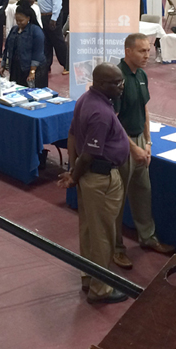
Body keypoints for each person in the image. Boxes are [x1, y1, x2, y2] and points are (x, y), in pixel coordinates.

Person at [57, 63, 130, 304]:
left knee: (89, 230)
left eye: (121, 81)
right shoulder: (100, 112)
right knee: (103, 236)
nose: (121, 86)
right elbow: (89, 153)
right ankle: (102, 289)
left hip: (89, 178)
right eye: (116, 83)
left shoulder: (86, 99)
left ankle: (88, 275)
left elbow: (73, 136)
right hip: (101, 179)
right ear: (100, 83)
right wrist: (74, 176)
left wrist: (72, 171)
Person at [111, 34, 174, 271]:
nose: (147, 55)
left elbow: (144, 109)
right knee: (118, 199)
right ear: (128, 51)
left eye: (148, 50)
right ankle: (116, 249)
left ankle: (148, 237)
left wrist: (148, 142)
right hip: (121, 143)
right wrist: (133, 147)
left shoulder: (141, 75)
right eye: (142, 51)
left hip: (139, 141)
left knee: (143, 192)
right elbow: (113, 122)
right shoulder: (118, 78)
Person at [1, 5, 48, 88]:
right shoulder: (14, 30)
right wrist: (3, 64)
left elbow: (37, 53)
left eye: (21, 20)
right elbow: (7, 48)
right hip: (16, 68)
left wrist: (32, 71)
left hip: (33, 69)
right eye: (17, 20)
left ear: (28, 18)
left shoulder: (36, 31)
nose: (18, 23)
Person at [36, 0, 69, 75]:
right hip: (44, 16)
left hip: (52, 16)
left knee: (58, 41)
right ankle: (47, 65)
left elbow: (57, 3)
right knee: (47, 42)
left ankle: (66, 65)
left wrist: (54, 19)